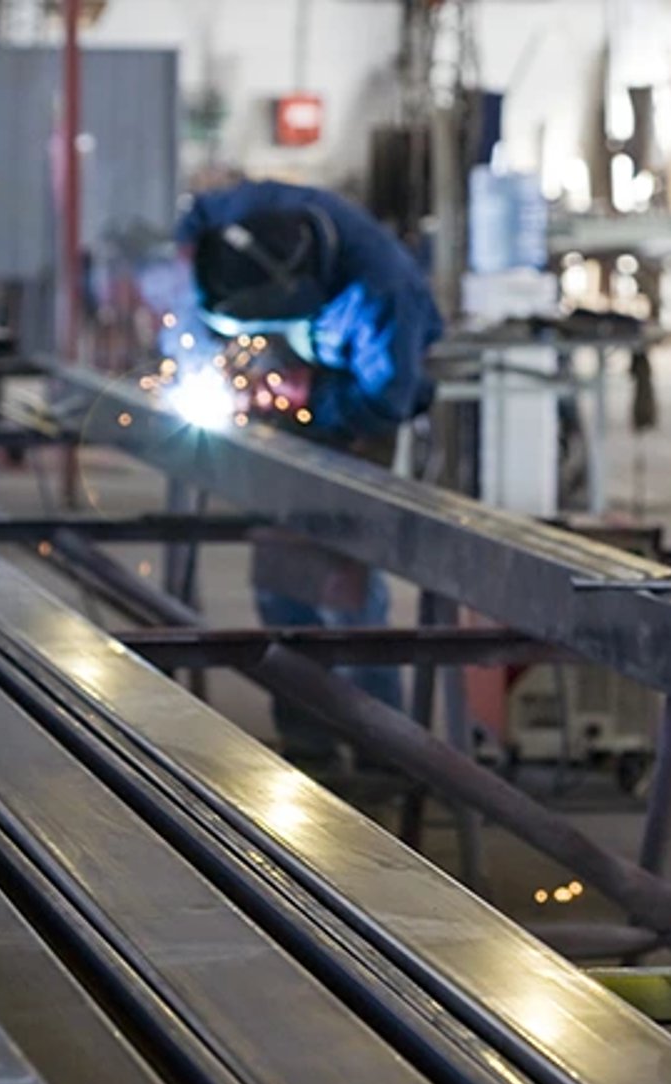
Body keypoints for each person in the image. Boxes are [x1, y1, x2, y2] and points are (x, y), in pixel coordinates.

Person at [173, 180, 444, 763]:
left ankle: (382, 753)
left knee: (341, 587)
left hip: (353, 404)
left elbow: (387, 403)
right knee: (280, 575)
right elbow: (192, 219)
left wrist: (312, 398)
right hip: (292, 383)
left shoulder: (380, 299)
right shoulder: (243, 218)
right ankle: (308, 747)